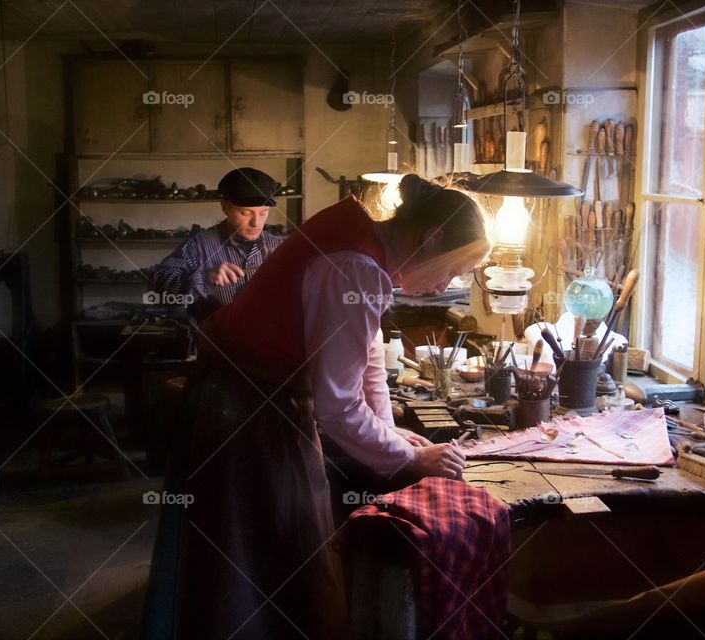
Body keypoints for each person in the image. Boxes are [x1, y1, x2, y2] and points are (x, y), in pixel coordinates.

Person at [143, 174, 490, 640]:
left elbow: (367, 355)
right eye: (452, 269)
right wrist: (408, 458)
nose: (445, 284)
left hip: (250, 395)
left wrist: (390, 432)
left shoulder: (365, 243)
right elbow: (338, 407)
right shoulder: (356, 264)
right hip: (243, 408)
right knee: (253, 557)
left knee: (274, 550)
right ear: (431, 238)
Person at [149, 167, 285, 318]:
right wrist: (205, 278)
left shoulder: (279, 246)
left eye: (263, 212)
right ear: (225, 207)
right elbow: (156, 292)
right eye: (245, 213)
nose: (256, 223)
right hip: (213, 332)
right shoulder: (198, 245)